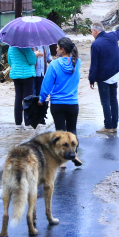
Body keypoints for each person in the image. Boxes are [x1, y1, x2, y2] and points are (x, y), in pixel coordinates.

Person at [39, 38, 82, 166]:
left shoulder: (54, 65)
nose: (56, 50)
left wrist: (41, 99)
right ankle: (75, 155)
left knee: (60, 132)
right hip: (73, 103)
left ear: (62, 49)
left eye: (57, 47)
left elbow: (46, 85)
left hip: (57, 103)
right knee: (72, 130)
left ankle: (61, 161)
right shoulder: (77, 62)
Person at [88, 20, 119, 134]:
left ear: (95, 31)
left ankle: (108, 126)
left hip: (103, 77)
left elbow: (94, 64)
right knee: (114, 100)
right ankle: (114, 126)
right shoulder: (113, 36)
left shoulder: (96, 44)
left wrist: (91, 79)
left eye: (91, 32)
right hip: (115, 74)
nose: (91, 34)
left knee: (105, 101)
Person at [8, 45, 39, 129]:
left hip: (16, 75)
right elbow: (32, 61)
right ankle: (28, 122)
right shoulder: (26, 47)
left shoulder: (10, 47)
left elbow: (10, 62)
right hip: (27, 75)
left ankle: (18, 123)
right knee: (28, 98)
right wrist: (34, 54)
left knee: (18, 98)